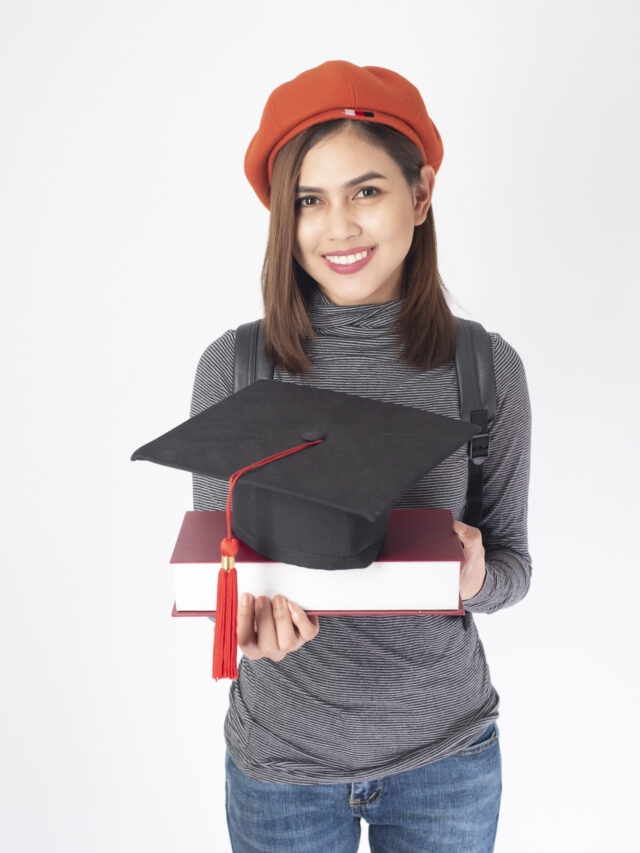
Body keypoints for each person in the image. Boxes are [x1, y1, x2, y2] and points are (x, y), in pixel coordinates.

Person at [190, 60, 532, 853]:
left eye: (366, 191)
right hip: (281, 769)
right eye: (308, 200)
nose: (337, 227)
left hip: (446, 761)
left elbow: (513, 564)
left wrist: (476, 578)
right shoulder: (235, 370)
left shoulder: (484, 371)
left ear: (421, 193)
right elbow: (218, 573)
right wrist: (247, 626)